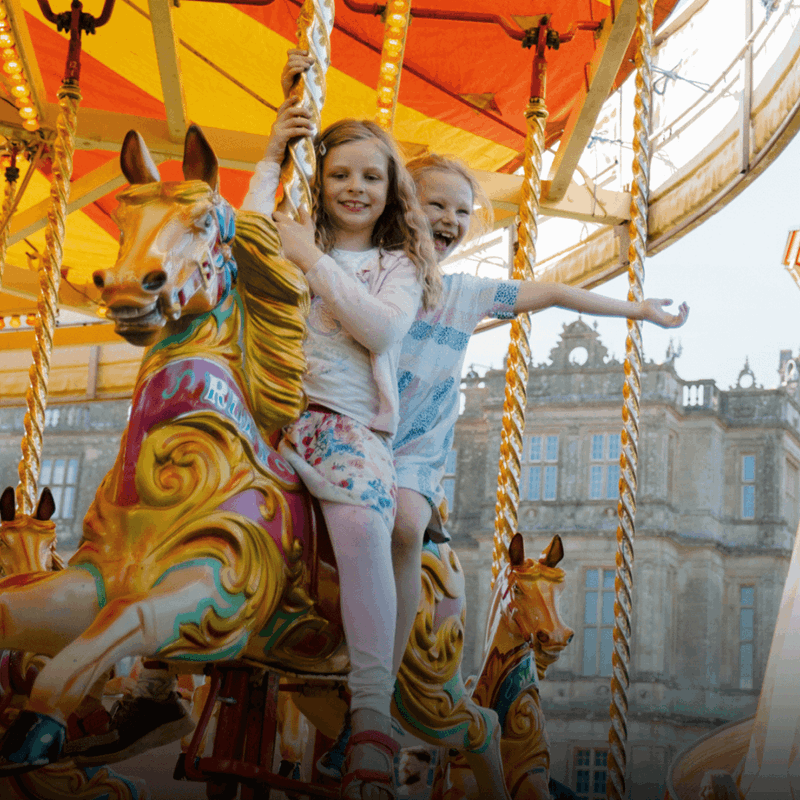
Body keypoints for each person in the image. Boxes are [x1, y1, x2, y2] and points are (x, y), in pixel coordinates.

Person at [389, 152, 690, 686]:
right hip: (361, 435)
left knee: (408, 527)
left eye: (462, 211)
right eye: (434, 204)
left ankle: (377, 684)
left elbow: (551, 292)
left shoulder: (464, 293)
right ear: (402, 206)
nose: (450, 220)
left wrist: (638, 310)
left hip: (410, 458)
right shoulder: (370, 278)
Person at [245, 107, 438, 800]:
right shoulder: (290, 237)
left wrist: (314, 259)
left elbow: (380, 330)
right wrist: (274, 153)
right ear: (319, 180)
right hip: (270, 419)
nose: (354, 188)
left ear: (391, 192)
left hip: (344, 428)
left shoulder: (397, 266)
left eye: (370, 177)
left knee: (361, 528)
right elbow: (242, 237)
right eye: (339, 174)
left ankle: (372, 713)